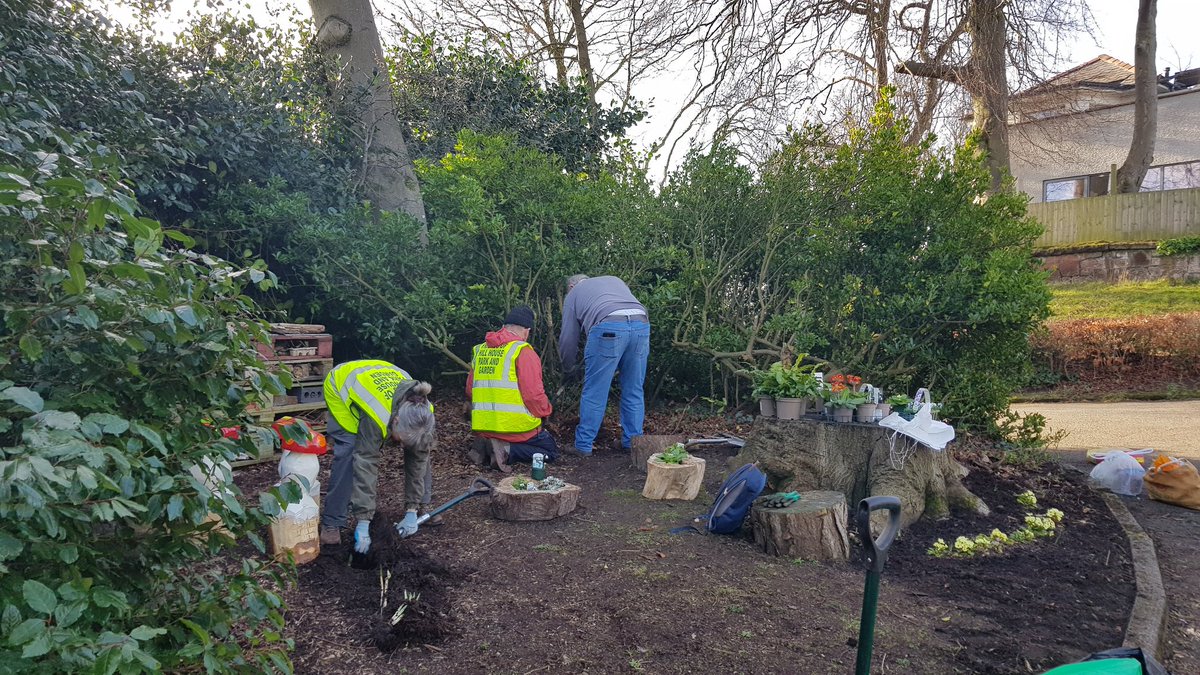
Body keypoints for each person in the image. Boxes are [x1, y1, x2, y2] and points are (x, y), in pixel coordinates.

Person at [319, 359, 437, 553]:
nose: (401, 445)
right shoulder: (377, 415)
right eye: (401, 439)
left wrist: (411, 510)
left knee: (420, 447)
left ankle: (420, 506)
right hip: (342, 384)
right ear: (396, 420)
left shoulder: (424, 411)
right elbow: (366, 461)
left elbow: (418, 459)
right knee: (350, 451)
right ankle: (332, 521)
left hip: (384, 375)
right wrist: (364, 521)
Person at [558, 275, 650, 455]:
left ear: (571, 286)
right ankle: (633, 443)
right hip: (641, 324)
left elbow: (568, 338)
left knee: (595, 391)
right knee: (634, 389)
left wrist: (568, 367)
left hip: (608, 326)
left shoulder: (573, 294)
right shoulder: (614, 280)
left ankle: (583, 445)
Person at [465, 305, 558, 472]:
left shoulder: (480, 350)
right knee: (549, 450)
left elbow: (470, 391)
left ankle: (487, 446)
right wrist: (546, 411)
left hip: (484, 427)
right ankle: (506, 450)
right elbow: (532, 396)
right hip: (515, 430)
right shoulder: (523, 351)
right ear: (527, 331)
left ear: (504, 326)